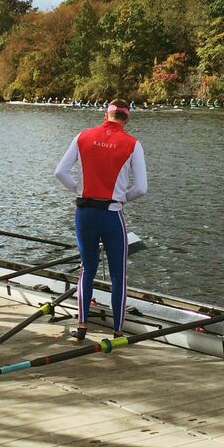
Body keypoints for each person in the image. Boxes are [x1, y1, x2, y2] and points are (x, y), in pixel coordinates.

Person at [55, 99, 148, 341]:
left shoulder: (83, 136)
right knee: (118, 273)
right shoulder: (133, 145)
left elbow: (60, 172)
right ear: (126, 118)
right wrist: (122, 198)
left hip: (84, 213)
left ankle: (82, 324)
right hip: (111, 214)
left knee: (87, 269)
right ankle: (118, 330)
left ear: (106, 114)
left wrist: (79, 189)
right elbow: (142, 188)